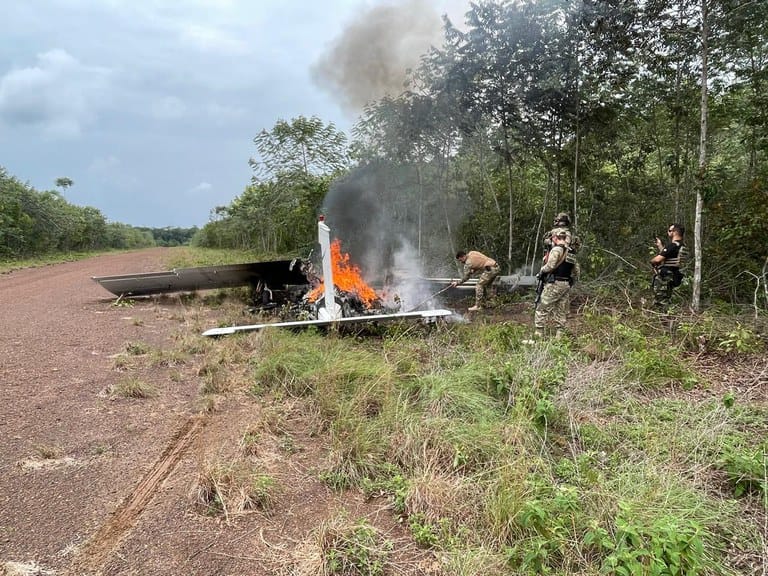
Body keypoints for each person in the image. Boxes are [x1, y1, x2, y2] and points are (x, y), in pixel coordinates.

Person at [534, 230, 580, 338]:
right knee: (561, 309)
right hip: (565, 284)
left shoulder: (556, 250)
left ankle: (538, 334)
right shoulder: (571, 252)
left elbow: (550, 266)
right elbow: (576, 271)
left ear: (555, 238)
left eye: (552, 238)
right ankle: (560, 336)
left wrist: (541, 271)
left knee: (542, 308)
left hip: (554, 283)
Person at [651, 223, 685, 308]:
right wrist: (660, 246)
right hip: (675, 275)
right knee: (667, 298)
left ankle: (663, 319)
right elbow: (670, 256)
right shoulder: (681, 245)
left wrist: (652, 261)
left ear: (675, 232)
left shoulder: (673, 245)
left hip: (666, 276)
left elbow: (658, 259)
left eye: (669, 230)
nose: (668, 232)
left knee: (660, 300)